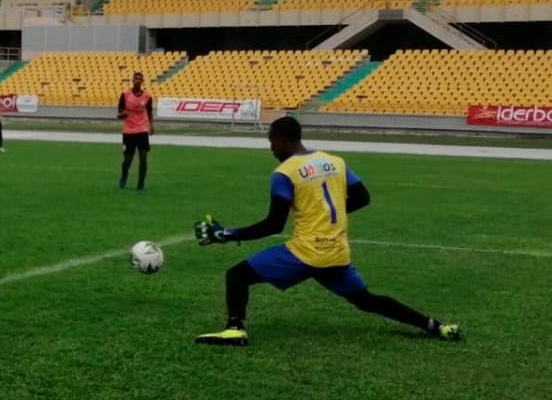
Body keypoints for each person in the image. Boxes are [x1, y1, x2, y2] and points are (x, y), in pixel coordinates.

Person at [192, 116, 462, 347]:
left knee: (237, 275)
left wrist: (227, 234)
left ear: (283, 141)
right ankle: (436, 326)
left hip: (305, 252)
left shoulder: (284, 173)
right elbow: (362, 197)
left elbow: (274, 224)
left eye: (272, 143)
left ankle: (235, 328)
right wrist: (325, 212)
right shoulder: (335, 161)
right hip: (335, 252)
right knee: (366, 300)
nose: (272, 149)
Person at [117, 71, 153, 192]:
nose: (137, 80)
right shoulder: (125, 94)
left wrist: (152, 125)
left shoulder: (147, 97)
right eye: (135, 78)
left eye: (139, 78)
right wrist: (122, 114)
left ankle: (140, 186)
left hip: (142, 129)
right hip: (129, 131)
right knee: (128, 160)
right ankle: (124, 175)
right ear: (132, 80)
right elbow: (119, 110)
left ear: (142, 81)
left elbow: (149, 111)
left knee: (143, 157)